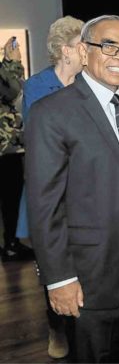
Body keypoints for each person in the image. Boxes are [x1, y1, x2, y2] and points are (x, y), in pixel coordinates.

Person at [25, 15, 119, 363]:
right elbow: (44, 206)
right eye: (109, 46)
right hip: (92, 269)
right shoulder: (52, 113)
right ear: (83, 51)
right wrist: (58, 278)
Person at [16, 15, 84, 359]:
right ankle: (56, 326)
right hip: (52, 185)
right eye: (81, 45)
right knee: (51, 258)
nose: (87, 51)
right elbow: (39, 138)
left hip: (84, 188)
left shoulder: (89, 82)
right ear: (64, 50)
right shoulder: (37, 86)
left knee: (82, 258)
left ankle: (82, 327)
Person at [0, 36, 33, 262]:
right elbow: (11, 91)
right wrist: (12, 63)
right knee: (10, 197)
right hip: (5, 148)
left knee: (11, 197)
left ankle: (11, 243)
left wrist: (9, 62)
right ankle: (10, 245)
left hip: (8, 147)